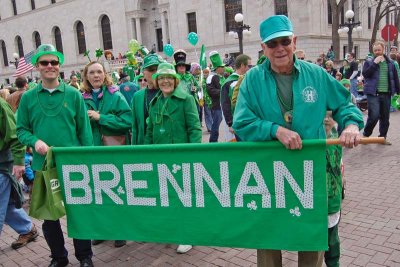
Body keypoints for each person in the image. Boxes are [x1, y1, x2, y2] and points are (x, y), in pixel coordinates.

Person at [232, 15, 364, 267]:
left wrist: (351, 124)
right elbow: (242, 123)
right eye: (272, 44)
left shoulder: (316, 75)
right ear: (263, 48)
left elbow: (345, 105)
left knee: (311, 237)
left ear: (294, 41)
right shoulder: (251, 80)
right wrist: (274, 130)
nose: (279, 48)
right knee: (269, 236)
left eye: (284, 41)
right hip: (269, 172)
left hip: (309, 170)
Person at [16, 44, 94, 267]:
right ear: (37, 67)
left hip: (73, 165)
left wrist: (86, 160)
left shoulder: (74, 94)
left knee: (78, 213)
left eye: (54, 62)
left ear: (59, 66)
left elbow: (84, 131)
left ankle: (85, 257)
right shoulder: (29, 98)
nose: (50, 66)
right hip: (43, 167)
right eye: (44, 63)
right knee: (50, 218)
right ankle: (59, 257)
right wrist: (35, 141)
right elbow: (21, 130)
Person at [144, 62, 201, 253]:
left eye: (169, 77)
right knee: (167, 196)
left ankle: (188, 235)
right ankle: (172, 231)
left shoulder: (186, 99)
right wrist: (147, 155)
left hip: (182, 158)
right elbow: (150, 131)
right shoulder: (155, 103)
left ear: (175, 80)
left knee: (184, 198)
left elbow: (194, 129)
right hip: (161, 158)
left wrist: (193, 156)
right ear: (157, 81)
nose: (165, 81)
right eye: (161, 78)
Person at [81, 61, 131, 248]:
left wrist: (101, 118)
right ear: (86, 76)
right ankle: (103, 230)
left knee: (116, 190)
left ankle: (120, 230)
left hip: (113, 151)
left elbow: (127, 120)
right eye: (92, 72)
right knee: (98, 192)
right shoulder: (81, 98)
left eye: (99, 72)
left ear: (105, 74)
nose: (96, 76)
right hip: (92, 151)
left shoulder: (115, 95)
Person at [0, 97, 38, 250]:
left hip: (2, 165)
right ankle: (27, 229)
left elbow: (15, 136)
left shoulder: (1, 106)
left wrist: (18, 162)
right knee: (7, 204)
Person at [362, 41, 400, 145]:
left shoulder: (391, 63)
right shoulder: (369, 62)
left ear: (383, 50)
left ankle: (382, 138)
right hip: (373, 93)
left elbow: (395, 78)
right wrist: (375, 63)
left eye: (379, 50)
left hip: (386, 93)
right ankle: (366, 135)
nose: (377, 52)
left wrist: (398, 91)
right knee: (374, 115)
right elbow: (365, 74)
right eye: (375, 50)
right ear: (373, 51)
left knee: (385, 117)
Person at [131, 54, 164, 145]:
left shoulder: (168, 92)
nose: (155, 72)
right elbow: (135, 128)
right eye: (151, 70)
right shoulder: (137, 96)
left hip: (165, 147)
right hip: (144, 147)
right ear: (144, 73)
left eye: (158, 69)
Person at [221, 54, 251, 141]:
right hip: (238, 122)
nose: (250, 68)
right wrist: (230, 123)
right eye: (249, 66)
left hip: (249, 120)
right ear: (242, 65)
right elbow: (225, 104)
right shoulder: (229, 82)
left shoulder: (248, 78)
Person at [206, 51, 225, 142]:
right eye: (222, 67)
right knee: (216, 124)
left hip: (224, 105)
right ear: (218, 68)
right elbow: (210, 91)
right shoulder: (211, 77)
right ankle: (213, 141)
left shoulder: (222, 77)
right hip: (217, 105)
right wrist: (222, 92)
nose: (224, 68)